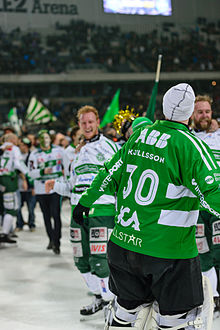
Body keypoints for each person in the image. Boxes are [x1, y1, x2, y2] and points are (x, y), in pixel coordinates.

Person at [72, 83, 220, 329]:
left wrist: (85, 202)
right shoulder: (189, 145)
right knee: (173, 318)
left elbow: (109, 173)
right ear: (189, 113)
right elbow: (213, 193)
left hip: (124, 246)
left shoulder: (139, 136)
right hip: (168, 253)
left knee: (127, 309)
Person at [45, 105, 119, 317]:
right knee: (81, 260)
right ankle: (99, 297)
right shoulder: (75, 152)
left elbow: (120, 180)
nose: (87, 126)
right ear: (79, 125)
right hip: (79, 211)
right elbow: (72, 184)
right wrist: (56, 185)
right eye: (83, 122)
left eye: (91, 122)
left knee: (101, 261)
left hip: (102, 211)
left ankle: (111, 304)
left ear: (97, 123)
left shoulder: (110, 147)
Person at [192, 94, 220, 317]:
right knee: (203, 256)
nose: (204, 116)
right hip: (197, 209)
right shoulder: (187, 138)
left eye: (207, 111)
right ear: (192, 114)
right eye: (199, 112)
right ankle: (213, 297)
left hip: (218, 204)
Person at [28, 129, 65, 254]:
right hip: (41, 190)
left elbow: (69, 164)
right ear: (38, 140)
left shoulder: (59, 151)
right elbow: (31, 173)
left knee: (56, 214)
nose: (45, 140)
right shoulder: (34, 154)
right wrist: (42, 172)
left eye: (47, 137)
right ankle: (51, 239)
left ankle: (57, 242)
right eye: (42, 138)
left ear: (51, 139)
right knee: (46, 216)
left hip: (56, 188)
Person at [0, 133, 29, 244]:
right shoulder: (14, 149)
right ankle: (5, 233)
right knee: (12, 207)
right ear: (12, 140)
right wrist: (29, 173)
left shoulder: (1, 148)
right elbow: (18, 164)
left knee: (1, 208)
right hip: (8, 180)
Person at [16, 137, 36, 232]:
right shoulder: (17, 156)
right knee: (18, 207)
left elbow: (33, 171)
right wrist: (23, 178)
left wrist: (33, 187)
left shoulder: (32, 156)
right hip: (18, 186)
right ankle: (19, 224)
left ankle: (31, 224)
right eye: (20, 145)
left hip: (30, 185)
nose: (21, 147)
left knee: (31, 207)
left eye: (23, 145)